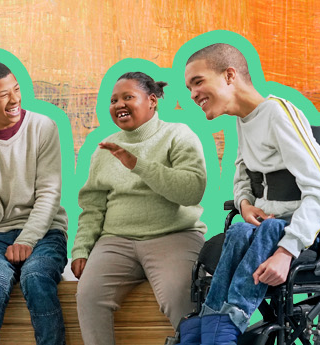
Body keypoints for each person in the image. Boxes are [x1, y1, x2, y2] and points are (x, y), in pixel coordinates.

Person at [178, 43, 320, 344]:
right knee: (238, 231)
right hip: (262, 225)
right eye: (189, 88)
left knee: (270, 228)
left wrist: (286, 252)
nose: (193, 94)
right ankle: (209, 322)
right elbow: (241, 177)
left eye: (198, 82)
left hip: (298, 227)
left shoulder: (278, 113)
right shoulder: (242, 121)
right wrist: (246, 204)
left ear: (229, 75)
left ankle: (227, 326)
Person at [73, 71, 210, 345]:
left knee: (179, 297)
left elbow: (191, 190)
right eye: (113, 100)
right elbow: (93, 205)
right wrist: (81, 248)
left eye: (128, 97)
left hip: (174, 235)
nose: (118, 105)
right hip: (116, 240)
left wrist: (138, 165)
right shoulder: (104, 149)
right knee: (88, 296)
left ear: (152, 101)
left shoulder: (178, 135)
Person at [0, 60, 70, 345]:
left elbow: (49, 193)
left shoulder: (42, 127)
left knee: (35, 276)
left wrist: (28, 239)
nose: (15, 99)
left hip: (45, 231)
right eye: (4, 94)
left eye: (17, 90)